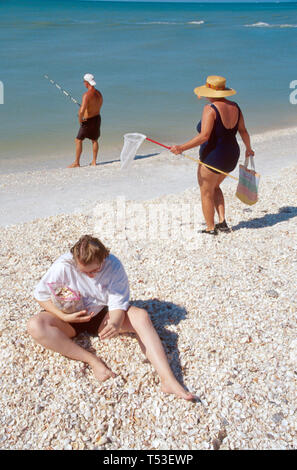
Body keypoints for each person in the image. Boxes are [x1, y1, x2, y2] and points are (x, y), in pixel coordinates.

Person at [27, 235, 194, 401]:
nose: (91, 275)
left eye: (95, 270)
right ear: (75, 260)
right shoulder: (63, 266)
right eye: (85, 272)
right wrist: (64, 316)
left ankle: (168, 380)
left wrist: (115, 323)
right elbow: (40, 295)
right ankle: (92, 361)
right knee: (35, 325)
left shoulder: (113, 264)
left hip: (101, 313)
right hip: (68, 316)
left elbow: (117, 302)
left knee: (141, 317)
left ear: (104, 258)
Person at [170, 75, 254, 235]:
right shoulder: (235, 106)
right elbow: (243, 131)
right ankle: (222, 222)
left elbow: (204, 136)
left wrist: (181, 147)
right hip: (231, 157)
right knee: (215, 186)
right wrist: (249, 148)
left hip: (213, 157)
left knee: (206, 191)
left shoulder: (210, 109)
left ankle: (210, 228)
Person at [68, 74, 103, 168]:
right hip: (97, 118)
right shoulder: (99, 93)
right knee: (94, 140)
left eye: (84, 82)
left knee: (78, 140)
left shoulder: (86, 95)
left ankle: (77, 162)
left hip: (88, 121)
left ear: (86, 83)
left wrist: (80, 120)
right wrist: (89, 110)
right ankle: (94, 161)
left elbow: (82, 111)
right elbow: (98, 105)